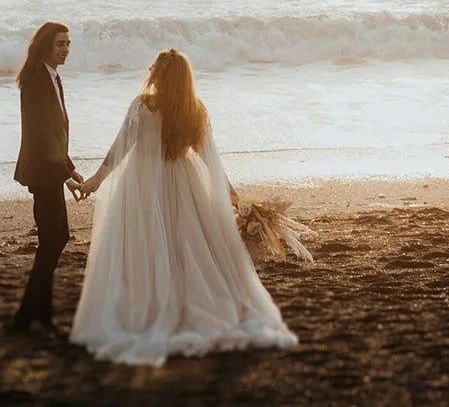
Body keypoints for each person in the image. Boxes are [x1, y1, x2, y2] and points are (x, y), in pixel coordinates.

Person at [70, 48, 297, 366]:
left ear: (158, 76)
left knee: (148, 244)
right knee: (187, 243)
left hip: (143, 181)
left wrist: (94, 181)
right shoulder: (195, 109)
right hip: (183, 180)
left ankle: (152, 306)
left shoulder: (143, 106)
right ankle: (187, 304)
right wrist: (233, 196)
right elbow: (210, 160)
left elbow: (120, 148)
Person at [10, 21, 84, 335]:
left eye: (68, 44)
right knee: (54, 239)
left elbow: (56, 132)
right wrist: (64, 175)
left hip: (50, 169)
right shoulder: (37, 80)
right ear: (45, 46)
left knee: (53, 239)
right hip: (43, 172)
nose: (65, 49)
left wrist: (68, 166)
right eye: (59, 44)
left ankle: (32, 315)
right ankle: (33, 316)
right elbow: (42, 134)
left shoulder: (50, 77)